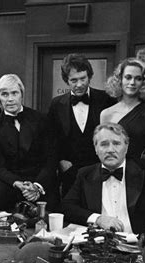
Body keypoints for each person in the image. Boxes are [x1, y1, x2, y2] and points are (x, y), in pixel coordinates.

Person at [62, 123, 145, 234]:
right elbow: (67, 207)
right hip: (98, 246)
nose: (110, 150)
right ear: (95, 149)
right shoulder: (85, 174)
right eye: (104, 144)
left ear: (126, 147)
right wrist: (97, 219)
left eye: (116, 143)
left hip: (138, 245)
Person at [0, 74, 59, 211]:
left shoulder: (41, 120)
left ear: (21, 95)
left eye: (14, 93)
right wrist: (18, 184)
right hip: (11, 183)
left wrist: (36, 186)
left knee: (54, 210)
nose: (10, 99)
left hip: (40, 181)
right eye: (4, 94)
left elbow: (51, 160)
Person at [47, 54, 116, 197]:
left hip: (100, 168)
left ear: (89, 76)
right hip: (70, 171)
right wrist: (61, 162)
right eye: (73, 80)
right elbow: (51, 138)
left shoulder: (107, 99)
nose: (79, 84)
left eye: (83, 79)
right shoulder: (56, 104)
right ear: (66, 81)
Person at [101, 58, 145, 160]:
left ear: (144, 82)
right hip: (118, 171)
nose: (132, 82)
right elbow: (104, 150)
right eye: (128, 77)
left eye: (138, 78)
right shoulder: (106, 114)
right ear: (119, 79)